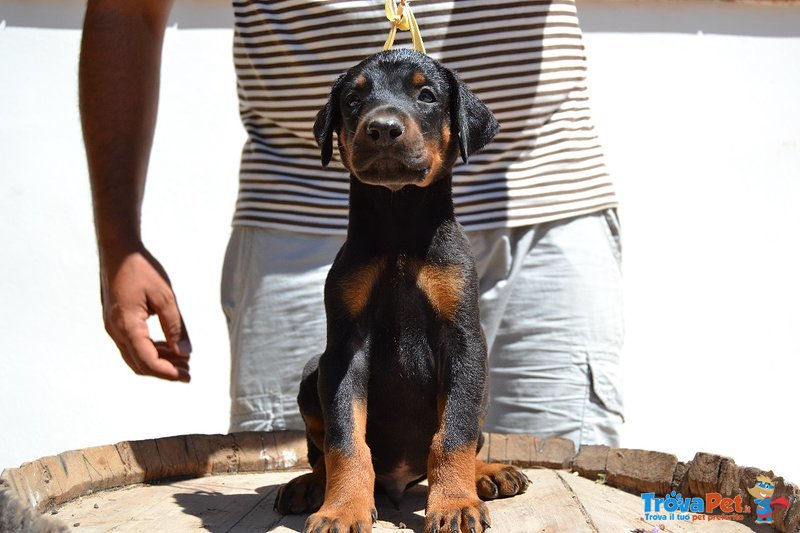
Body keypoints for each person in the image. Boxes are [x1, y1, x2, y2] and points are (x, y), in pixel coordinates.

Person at [80, 0, 624, 447]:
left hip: (545, 199)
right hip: (303, 214)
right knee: (298, 488)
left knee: (560, 482)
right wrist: (119, 242)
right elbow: (127, 9)